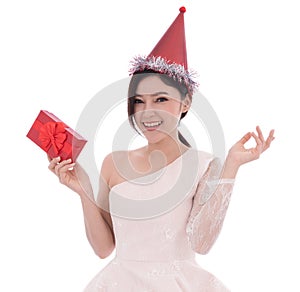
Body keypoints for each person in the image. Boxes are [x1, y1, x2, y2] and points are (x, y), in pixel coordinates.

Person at [47, 7, 275, 291]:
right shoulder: (113, 163)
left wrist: (231, 166)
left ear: (186, 103)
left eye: (161, 99)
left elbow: (202, 243)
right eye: (139, 101)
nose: (147, 112)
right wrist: (83, 190)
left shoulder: (202, 164)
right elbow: (104, 248)